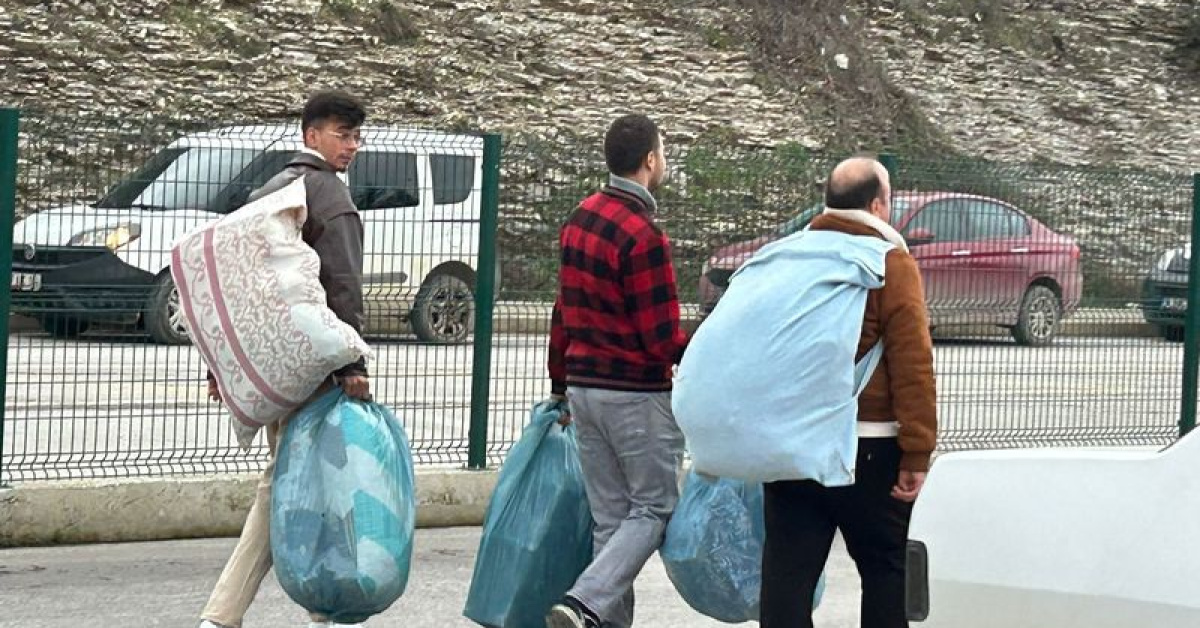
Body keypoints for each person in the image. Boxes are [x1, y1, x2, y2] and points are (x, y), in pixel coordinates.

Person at [198, 90, 372, 628]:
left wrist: (224, 365)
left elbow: (241, 286)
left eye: (356, 136)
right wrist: (351, 366)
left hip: (278, 372)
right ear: (310, 135)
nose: (352, 145)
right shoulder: (329, 197)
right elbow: (343, 285)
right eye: (341, 134)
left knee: (314, 488)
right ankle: (224, 614)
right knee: (298, 487)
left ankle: (328, 609)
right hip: (319, 376)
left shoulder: (269, 190)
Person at [758, 157, 938, 628]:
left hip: (794, 445)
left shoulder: (791, 256)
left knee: (786, 580)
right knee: (884, 572)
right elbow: (912, 363)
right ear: (878, 205)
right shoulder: (891, 263)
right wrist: (917, 451)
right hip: (872, 448)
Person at [544, 114, 688, 628]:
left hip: (584, 387)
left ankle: (598, 621)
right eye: (663, 151)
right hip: (635, 394)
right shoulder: (644, 236)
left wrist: (560, 383)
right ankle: (585, 602)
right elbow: (659, 338)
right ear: (650, 160)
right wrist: (704, 346)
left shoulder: (580, 217)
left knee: (611, 518)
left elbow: (563, 310)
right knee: (653, 509)